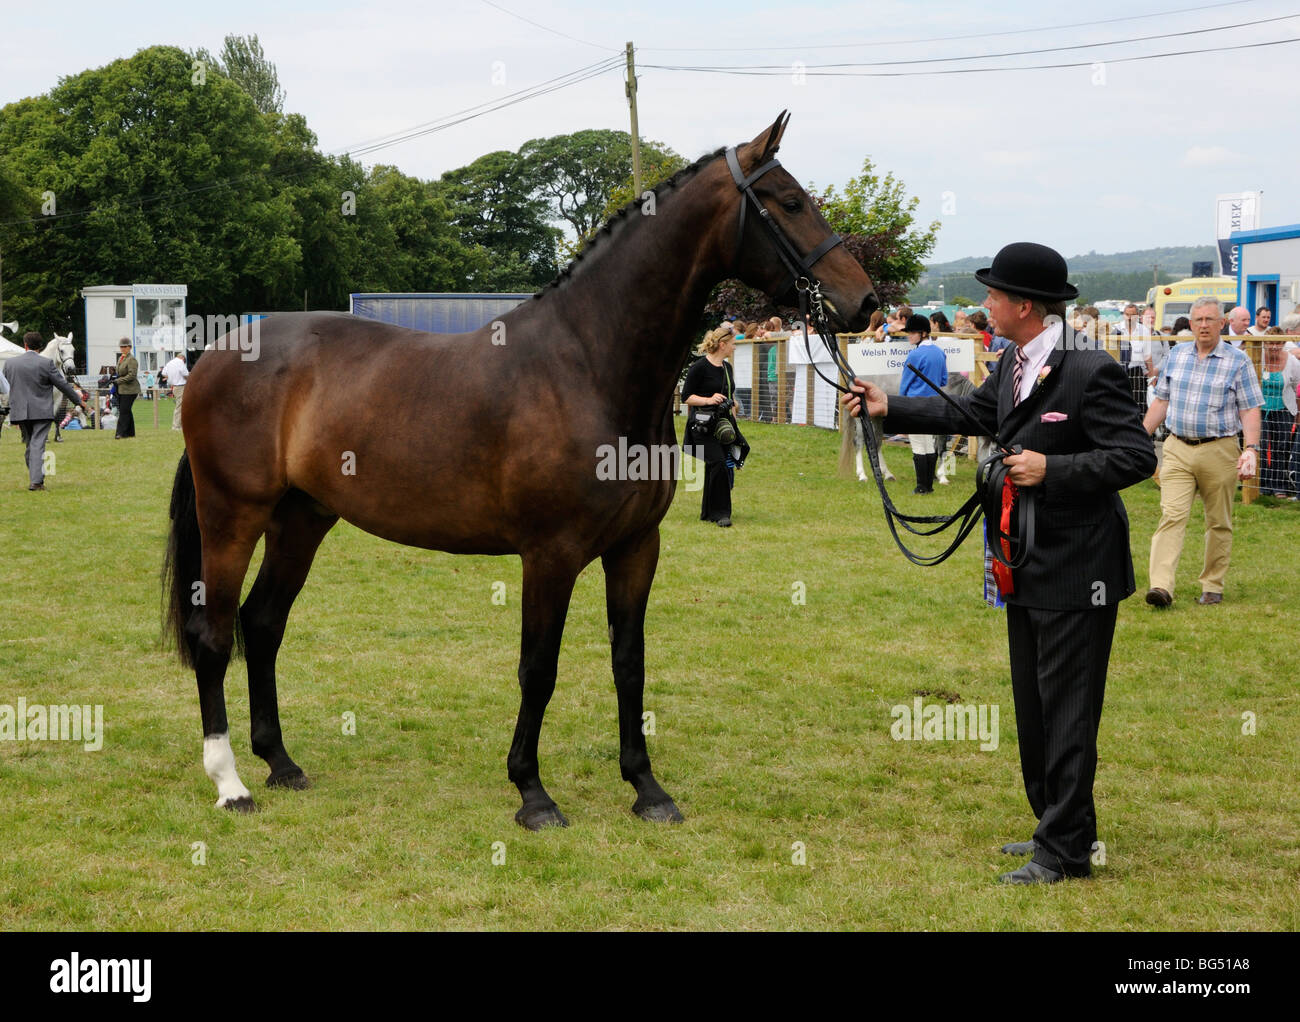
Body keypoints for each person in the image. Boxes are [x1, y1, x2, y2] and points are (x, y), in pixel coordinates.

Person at [843, 242, 1156, 884]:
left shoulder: (1090, 369)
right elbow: (974, 413)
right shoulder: (1013, 360)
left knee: (1068, 710)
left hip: (1080, 569)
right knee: (1034, 704)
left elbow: (1135, 457)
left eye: (992, 295)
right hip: (1024, 560)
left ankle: (1065, 851)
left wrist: (1054, 469)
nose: (984, 305)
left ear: (1024, 305)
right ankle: (1056, 824)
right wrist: (888, 406)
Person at [1142, 297, 1264, 606]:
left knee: (1218, 521)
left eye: (1210, 320)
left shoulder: (1238, 361)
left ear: (1222, 323)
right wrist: (1138, 436)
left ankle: (1212, 585)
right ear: (1191, 323)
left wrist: (1251, 448)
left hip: (1219, 450)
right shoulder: (1177, 355)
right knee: (1171, 516)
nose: (1204, 325)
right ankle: (1161, 587)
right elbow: (1161, 401)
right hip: (1177, 447)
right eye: (1198, 320)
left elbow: (1249, 408)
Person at [2, 331, 86, 490]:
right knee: (38, 444)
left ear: (25, 345)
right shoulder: (46, 364)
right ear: (40, 347)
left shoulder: (10, 364)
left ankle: (35, 473)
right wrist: (79, 402)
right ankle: (36, 482)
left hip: (20, 411)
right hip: (41, 410)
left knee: (30, 444)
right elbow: (63, 386)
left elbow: (6, 386)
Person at [682, 327, 748, 527]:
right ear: (722, 345)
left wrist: (734, 426)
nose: (734, 347)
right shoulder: (699, 367)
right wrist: (708, 399)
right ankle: (721, 514)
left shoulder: (727, 369)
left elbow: (731, 398)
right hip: (702, 426)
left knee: (716, 466)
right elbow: (687, 397)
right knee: (718, 463)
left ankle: (708, 512)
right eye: (732, 344)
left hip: (723, 425)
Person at [899, 313, 947, 493]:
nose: (909, 336)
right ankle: (929, 486)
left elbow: (905, 385)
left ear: (923, 334)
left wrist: (901, 405)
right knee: (929, 443)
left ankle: (921, 486)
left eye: (912, 333)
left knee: (919, 444)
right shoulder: (939, 352)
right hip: (934, 404)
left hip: (915, 404)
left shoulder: (915, 355)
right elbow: (943, 380)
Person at [1257, 331, 1300, 497]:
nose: (1274, 346)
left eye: (1278, 342)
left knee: (1280, 447)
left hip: (1284, 409)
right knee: (1261, 445)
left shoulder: (1292, 361)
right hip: (1260, 409)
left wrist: (1297, 412)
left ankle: (1279, 485)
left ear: (1283, 343)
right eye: (1270, 342)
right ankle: (1262, 484)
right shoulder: (1257, 358)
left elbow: (1297, 386)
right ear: (1264, 343)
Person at [114, 338, 140, 438]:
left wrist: (118, 381)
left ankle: (120, 433)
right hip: (122, 389)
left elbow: (132, 375)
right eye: (121, 346)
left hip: (131, 390)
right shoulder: (121, 358)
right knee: (126, 410)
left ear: (129, 347)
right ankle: (130, 433)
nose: (123, 348)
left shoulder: (131, 359)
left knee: (124, 411)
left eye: (125, 346)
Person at [161, 352, 189, 430]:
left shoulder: (170, 363)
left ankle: (180, 425)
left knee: (180, 406)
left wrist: (171, 377)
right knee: (179, 407)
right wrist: (189, 381)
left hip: (174, 387)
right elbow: (185, 374)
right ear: (183, 358)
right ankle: (176, 426)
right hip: (181, 386)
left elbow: (163, 373)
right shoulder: (180, 362)